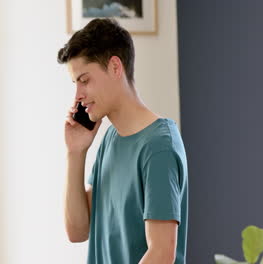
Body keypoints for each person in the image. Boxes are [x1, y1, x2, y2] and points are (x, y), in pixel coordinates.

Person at [57, 18, 188, 264]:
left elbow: (161, 254)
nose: (78, 96)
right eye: (75, 84)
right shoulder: (111, 140)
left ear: (115, 67)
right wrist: (75, 153)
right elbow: (77, 231)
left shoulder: (159, 146)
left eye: (84, 80)